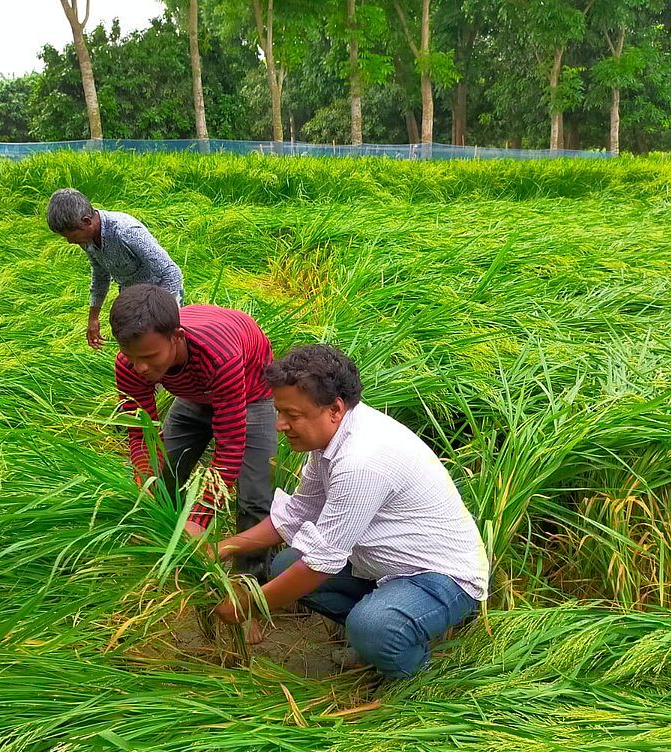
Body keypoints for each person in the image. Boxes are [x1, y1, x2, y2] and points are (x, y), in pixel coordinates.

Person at [214, 344, 488, 679]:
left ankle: (413, 678)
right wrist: (224, 547)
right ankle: (383, 636)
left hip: (441, 577)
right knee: (286, 565)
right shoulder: (330, 439)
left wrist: (248, 605)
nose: (280, 425)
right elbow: (298, 513)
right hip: (387, 564)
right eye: (279, 412)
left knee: (371, 626)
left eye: (292, 415)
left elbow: (320, 564)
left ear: (334, 409)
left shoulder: (362, 460)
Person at [110, 284, 276, 578]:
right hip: (194, 392)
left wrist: (199, 518)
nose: (141, 368)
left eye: (150, 356)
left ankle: (249, 583)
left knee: (254, 498)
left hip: (250, 391)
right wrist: (145, 479)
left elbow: (230, 445)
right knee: (161, 477)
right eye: (131, 356)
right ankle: (164, 555)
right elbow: (142, 433)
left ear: (177, 337)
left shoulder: (219, 357)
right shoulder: (130, 364)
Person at [47, 188, 184, 349]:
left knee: (164, 348)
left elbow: (171, 273)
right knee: (132, 347)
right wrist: (93, 318)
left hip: (162, 293)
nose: (69, 241)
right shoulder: (87, 238)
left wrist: (157, 312)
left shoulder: (126, 232)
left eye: (70, 235)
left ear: (86, 221)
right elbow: (100, 275)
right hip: (131, 295)